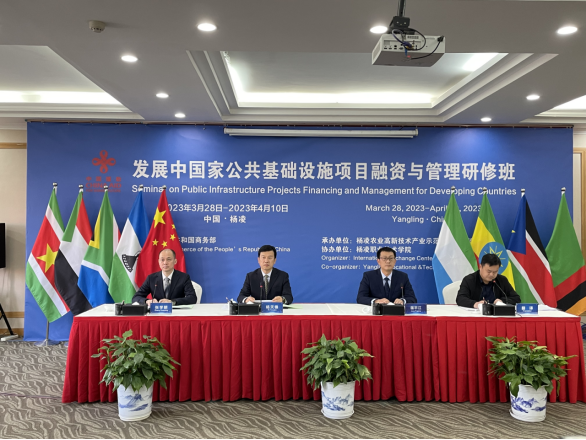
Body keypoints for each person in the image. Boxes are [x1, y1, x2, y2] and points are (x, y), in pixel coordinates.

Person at [132, 248, 198, 306]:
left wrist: (172, 302)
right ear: (158, 262)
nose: (165, 263)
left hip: (177, 313)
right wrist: (147, 301)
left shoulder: (184, 277)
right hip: (157, 313)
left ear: (175, 261)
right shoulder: (151, 278)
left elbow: (192, 298)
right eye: (162, 260)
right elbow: (136, 297)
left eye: (169, 259)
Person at [456, 253, 521, 308]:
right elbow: (460, 298)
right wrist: (475, 304)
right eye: (489, 271)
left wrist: (502, 301)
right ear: (480, 267)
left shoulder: (502, 280)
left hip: (497, 315)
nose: (491, 275)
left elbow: (516, 298)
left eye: (495, 272)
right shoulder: (469, 280)